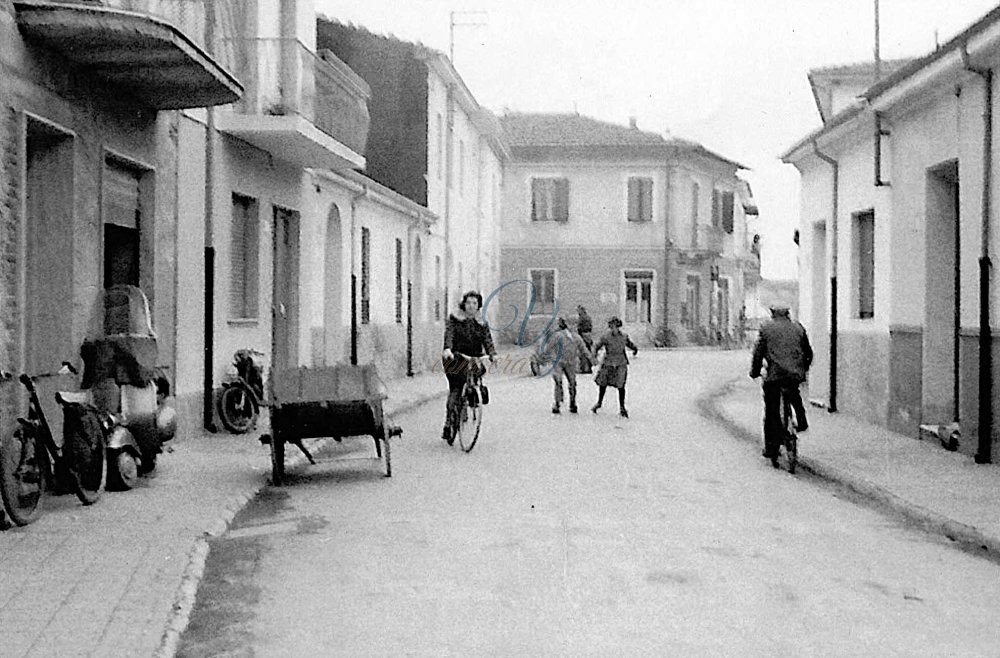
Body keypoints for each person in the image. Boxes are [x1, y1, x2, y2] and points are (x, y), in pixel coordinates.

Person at [750, 305, 813, 467]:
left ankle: (771, 447)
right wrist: (803, 369)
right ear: (788, 314)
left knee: (771, 408)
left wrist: (755, 371)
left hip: (774, 375)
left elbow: (758, 353)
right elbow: (808, 353)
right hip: (794, 374)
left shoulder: (766, 328)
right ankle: (801, 419)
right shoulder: (798, 328)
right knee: (794, 393)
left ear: (772, 314)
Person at [441, 290, 497, 444]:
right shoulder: (455, 319)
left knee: (477, 376)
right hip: (456, 357)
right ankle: (448, 423)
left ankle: (471, 397)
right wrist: (448, 348)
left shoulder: (481, 322)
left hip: (474, 359)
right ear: (463, 304)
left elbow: (487, 339)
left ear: (478, 306)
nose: (471, 306)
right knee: (456, 388)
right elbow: (449, 334)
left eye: (475, 303)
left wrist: (492, 353)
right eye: (468, 303)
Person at [591, 316, 638, 418]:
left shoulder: (624, 336)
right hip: (608, 362)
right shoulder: (606, 337)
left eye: (615, 327)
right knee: (602, 383)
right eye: (611, 327)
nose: (613, 329)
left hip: (621, 363)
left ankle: (622, 407)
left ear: (618, 327)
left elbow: (630, 344)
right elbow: (597, 345)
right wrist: (594, 354)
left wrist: (635, 349)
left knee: (621, 385)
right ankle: (599, 402)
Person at [547, 317, 592, 414]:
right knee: (558, 381)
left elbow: (583, 349)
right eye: (571, 324)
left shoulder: (577, 338)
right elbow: (549, 348)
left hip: (571, 363)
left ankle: (572, 403)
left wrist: (591, 358)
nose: (573, 327)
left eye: (575, 324)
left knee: (572, 383)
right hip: (558, 362)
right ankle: (557, 403)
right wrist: (551, 358)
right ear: (566, 325)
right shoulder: (558, 335)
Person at [576, 305, 594, 374]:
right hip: (588, 335)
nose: (578, 312)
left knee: (583, 352)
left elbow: (580, 328)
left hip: (584, 335)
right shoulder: (588, 317)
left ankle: (585, 368)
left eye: (578, 310)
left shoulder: (582, 318)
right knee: (587, 351)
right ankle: (588, 367)